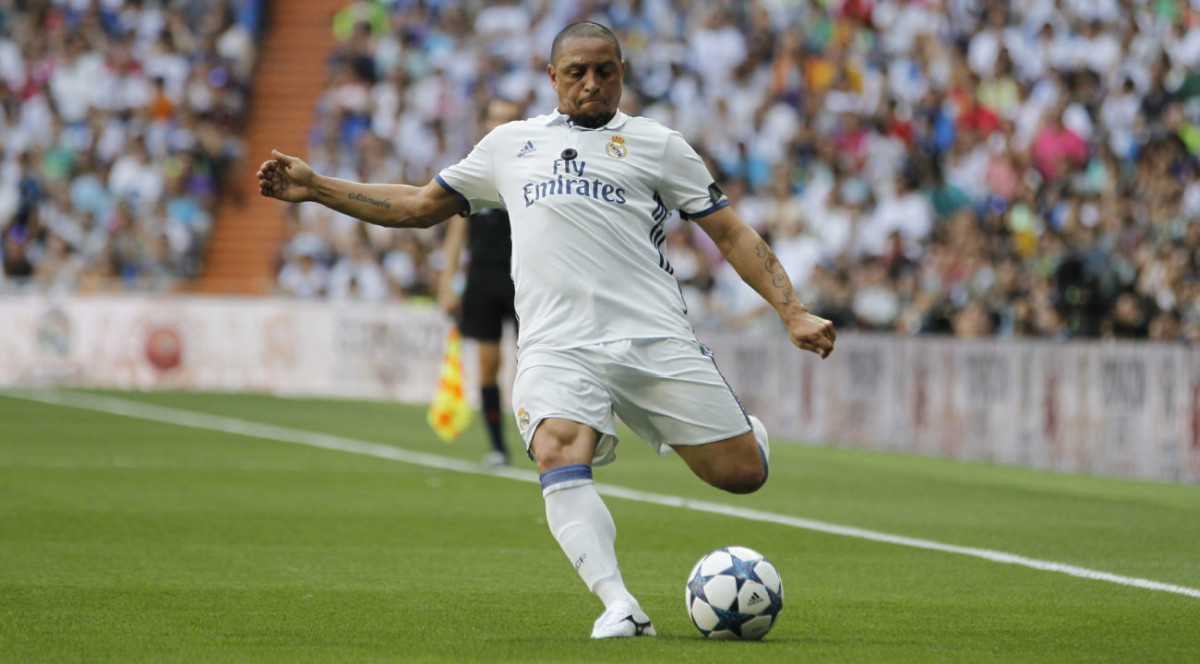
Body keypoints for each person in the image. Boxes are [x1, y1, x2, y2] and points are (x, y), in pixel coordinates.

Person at [258, 21, 836, 639]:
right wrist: (318, 187)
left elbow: (732, 234)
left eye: (605, 71)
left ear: (622, 74)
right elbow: (418, 206)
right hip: (557, 344)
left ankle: (747, 435)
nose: (592, 83)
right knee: (557, 447)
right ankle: (620, 605)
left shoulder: (658, 145)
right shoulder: (509, 144)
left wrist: (792, 310)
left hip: (652, 336)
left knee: (741, 475)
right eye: (577, 72)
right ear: (552, 76)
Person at [437, 98, 524, 468]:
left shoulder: (529, 168)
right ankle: (498, 447)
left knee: (534, 364)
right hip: (483, 280)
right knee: (489, 365)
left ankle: (542, 438)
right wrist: (446, 281)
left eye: (508, 120)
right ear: (485, 123)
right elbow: (456, 232)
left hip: (525, 280)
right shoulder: (470, 170)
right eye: (495, 119)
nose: (499, 126)